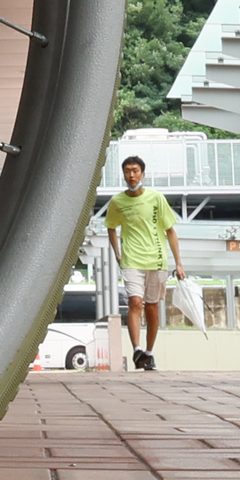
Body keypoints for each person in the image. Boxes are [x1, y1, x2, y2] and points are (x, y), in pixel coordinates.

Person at [98, 157, 182, 368]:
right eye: (127, 171)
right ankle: (136, 349)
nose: (132, 175)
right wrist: (118, 253)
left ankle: (149, 352)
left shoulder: (156, 198)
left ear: (143, 174)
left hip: (156, 260)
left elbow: (170, 230)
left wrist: (179, 263)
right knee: (135, 302)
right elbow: (111, 226)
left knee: (152, 308)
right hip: (132, 260)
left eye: (135, 171)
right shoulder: (118, 202)